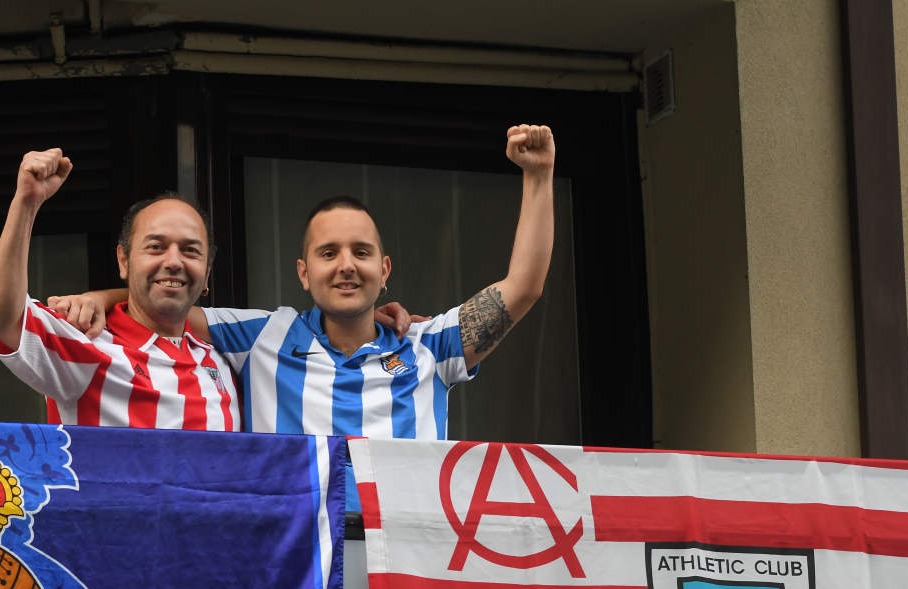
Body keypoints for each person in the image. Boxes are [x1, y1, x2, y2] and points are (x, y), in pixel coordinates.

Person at [50, 123, 555, 439]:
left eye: (361, 253)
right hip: (296, 574)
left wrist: (538, 177)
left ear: (385, 271)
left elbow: (523, 287)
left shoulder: (427, 347)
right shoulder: (261, 335)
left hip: (401, 572)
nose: (346, 266)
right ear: (303, 271)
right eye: (328, 253)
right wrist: (102, 295)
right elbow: (166, 298)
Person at [0, 149, 240, 430]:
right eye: (156, 247)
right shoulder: (89, 341)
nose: (174, 261)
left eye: (190, 251)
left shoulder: (227, 356)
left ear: (207, 274)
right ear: (124, 261)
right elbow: (3, 320)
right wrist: (26, 204)